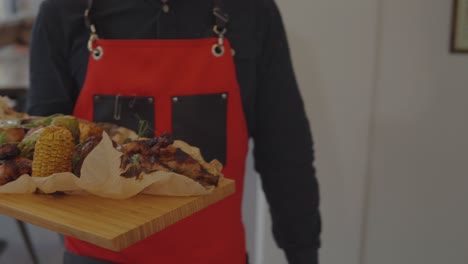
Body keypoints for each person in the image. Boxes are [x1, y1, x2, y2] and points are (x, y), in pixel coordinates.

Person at [27, 0, 321, 263]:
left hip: (214, 254)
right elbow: (44, 153)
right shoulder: (64, 11)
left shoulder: (251, 11)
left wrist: (302, 251)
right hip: (96, 255)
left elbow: (285, 149)